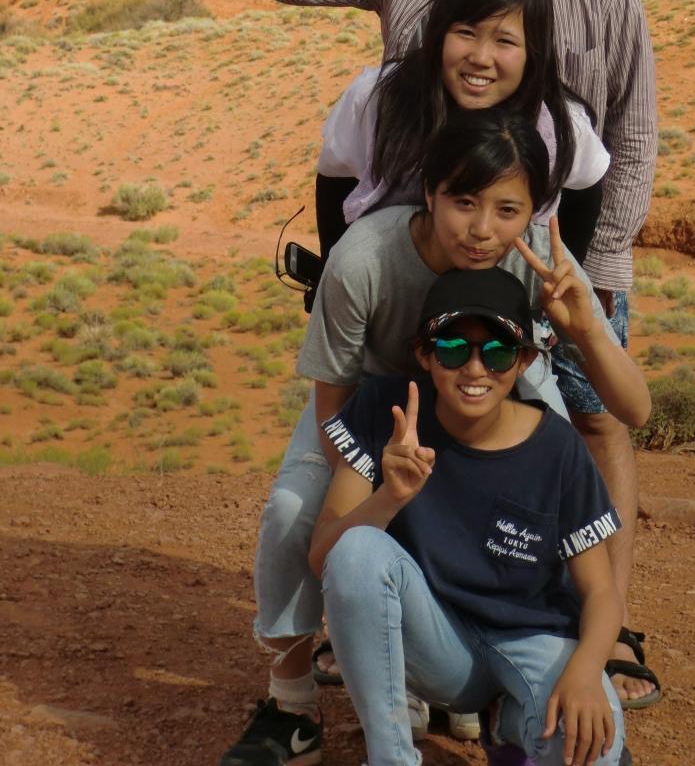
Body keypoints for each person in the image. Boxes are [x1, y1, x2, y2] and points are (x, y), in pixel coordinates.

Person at [259, 0, 658, 701]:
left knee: (588, 430)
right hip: (417, 250)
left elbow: (626, 138)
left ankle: (599, 629)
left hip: (543, 256)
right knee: (420, 435)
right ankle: (406, 624)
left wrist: (582, 278)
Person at [221, 114, 652, 766]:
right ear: (429, 192)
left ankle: (514, 711)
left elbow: (633, 410)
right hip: (377, 413)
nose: (482, 230)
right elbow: (334, 414)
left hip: (496, 457)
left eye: (507, 209)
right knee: (302, 516)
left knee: (593, 747)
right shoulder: (366, 259)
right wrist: (387, 494)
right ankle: (296, 705)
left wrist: (588, 329)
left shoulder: (540, 264)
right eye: (464, 202)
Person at [310, 265, 636, 766]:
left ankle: (507, 719)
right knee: (356, 549)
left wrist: (586, 671)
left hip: (534, 639)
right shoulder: (387, 413)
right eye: (453, 348)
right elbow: (325, 558)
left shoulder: (557, 449)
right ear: (425, 354)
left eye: (498, 352)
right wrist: (389, 497)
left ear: (524, 359)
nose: (475, 368)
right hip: (437, 644)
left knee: (595, 749)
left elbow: (601, 592)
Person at [317, 0, 608, 260]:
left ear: (532, 54)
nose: (480, 58)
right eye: (466, 33)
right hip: (388, 277)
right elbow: (335, 182)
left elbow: (585, 192)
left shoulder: (559, 125)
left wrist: (561, 272)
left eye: (505, 41)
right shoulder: (378, 99)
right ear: (439, 34)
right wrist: (332, 271)